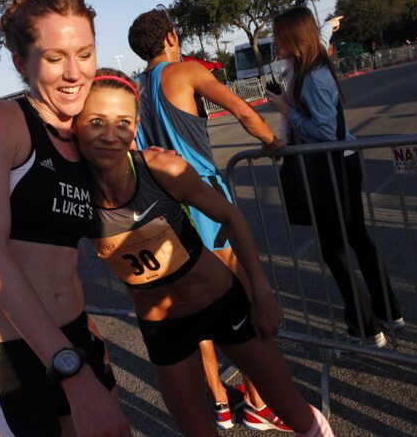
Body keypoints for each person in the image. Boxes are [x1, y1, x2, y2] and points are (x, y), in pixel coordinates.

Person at [75, 70, 334, 437]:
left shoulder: (160, 167)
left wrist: (260, 295)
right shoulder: (71, 198)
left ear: (135, 127)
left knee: (293, 411)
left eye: (123, 123)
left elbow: (230, 217)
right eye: (96, 122)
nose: (110, 135)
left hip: (220, 303)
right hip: (163, 327)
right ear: (75, 124)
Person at [0, 0, 131, 437]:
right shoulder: (0, 121)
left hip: (74, 333)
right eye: (55, 58)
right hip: (8, 356)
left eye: (85, 54)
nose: (75, 73)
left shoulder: (87, 132)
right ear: (21, 63)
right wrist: (69, 369)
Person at [128, 6, 285, 429]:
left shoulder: (137, 89)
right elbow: (245, 112)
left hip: (162, 206)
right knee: (239, 295)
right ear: (171, 38)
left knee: (194, 303)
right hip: (202, 197)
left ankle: (219, 400)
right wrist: (273, 142)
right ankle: (256, 400)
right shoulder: (185, 72)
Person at [265, 6, 403, 348]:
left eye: (279, 34)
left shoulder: (312, 74)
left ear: (295, 38)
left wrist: (286, 110)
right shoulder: (307, 63)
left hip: (331, 166)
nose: (274, 40)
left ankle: (365, 327)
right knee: (356, 237)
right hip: (338, 163)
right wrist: (329, 26)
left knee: (336, 247)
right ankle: (387, 311)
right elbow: (322, 37)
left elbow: (324, 131)